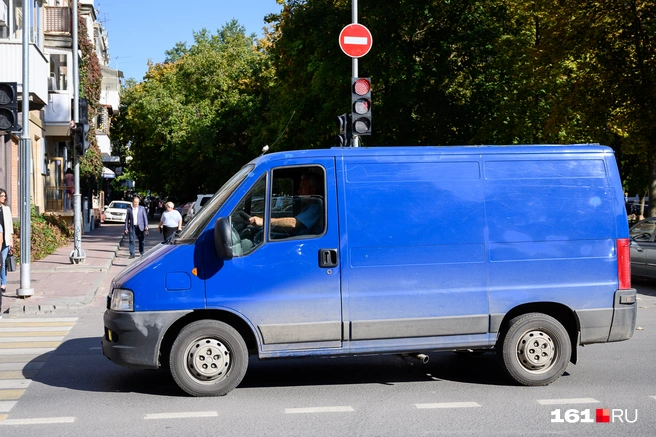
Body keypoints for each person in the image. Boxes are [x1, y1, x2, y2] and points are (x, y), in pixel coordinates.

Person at [249, 173, 323, 236]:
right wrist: (273, 226)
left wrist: (264, 222)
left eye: (302, 187)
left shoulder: (317, 207)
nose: (298, 190)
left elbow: (294, 223)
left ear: (312, 191)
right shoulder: (309, 205)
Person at [0, 188, 14, 318]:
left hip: (5, 240)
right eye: (2, 196)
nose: (4, 198)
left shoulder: (6, 209)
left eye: (5, 196)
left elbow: (10, 225)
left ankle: (3, 283)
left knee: (3, 262)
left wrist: (11, 240)